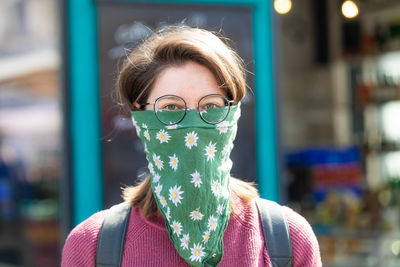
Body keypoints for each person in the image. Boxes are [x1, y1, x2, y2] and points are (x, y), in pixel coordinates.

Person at [61, 26, 321, 267]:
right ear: (139, 118)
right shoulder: (91, 246)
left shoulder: (287, 239)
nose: (193, 126)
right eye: (171, 107)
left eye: (211, 106)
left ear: (232, 115)